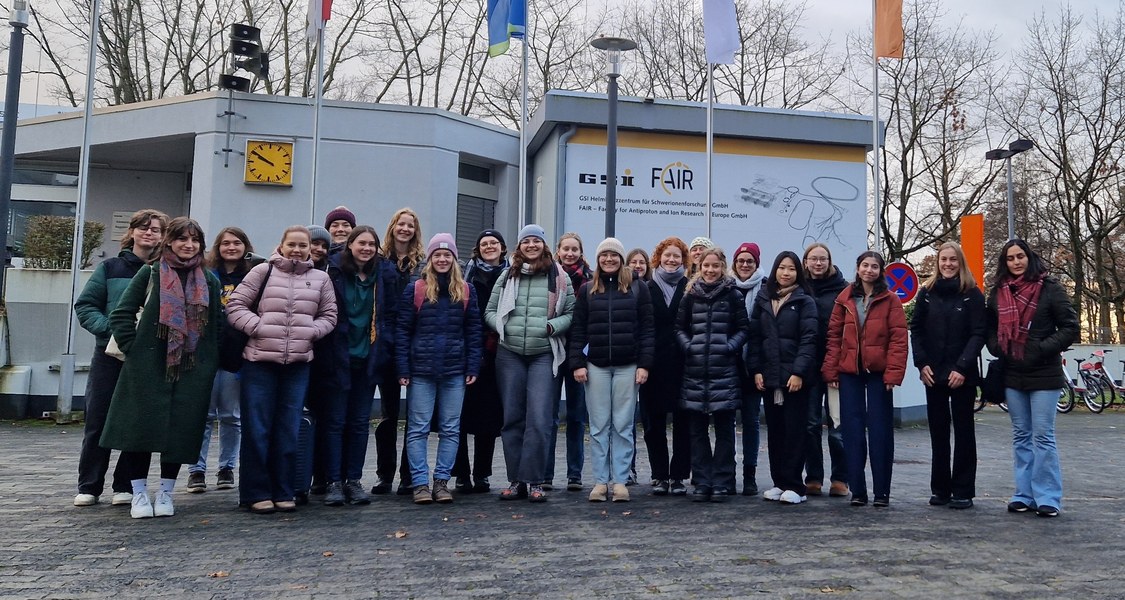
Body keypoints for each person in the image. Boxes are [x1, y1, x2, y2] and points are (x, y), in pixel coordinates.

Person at [100, 217, 222, 519]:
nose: (188, 245)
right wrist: (135, 349)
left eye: (194, 240)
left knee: (180, 432)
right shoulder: (151, 273)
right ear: (169, 241)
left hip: (191, 369)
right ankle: (139, 494)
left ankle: (166, 491)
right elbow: (121, 314)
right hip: (147, 367)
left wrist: (207, 363)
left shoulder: (209, 280)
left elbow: (218, 326)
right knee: (137, 431)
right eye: (182, 238)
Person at [226, 226, 337, 514]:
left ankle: (284, 490)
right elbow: (235, 305)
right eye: (292, 244)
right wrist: (258, 327)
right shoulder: (263, 272)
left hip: (298, 365)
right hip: (259, 362)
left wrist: (312, 331)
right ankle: (255, 492)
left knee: (288, 430)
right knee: (257, 429)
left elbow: (330, 315)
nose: (297, 250)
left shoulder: (321, 278)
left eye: (303, 245)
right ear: (282, 245)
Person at [73, 209, 167, 508]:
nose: (149, 233)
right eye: (143, 227)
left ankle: (125, 485)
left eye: (156, 229)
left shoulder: (165, 271)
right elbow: (86, 306)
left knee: (137, 422)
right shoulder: (110, 267)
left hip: (147, 359)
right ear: (132, 231)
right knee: (98, 420)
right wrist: (111, 332)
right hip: (109, 355)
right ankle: (89, 485)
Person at [985, 239, 1078, 518]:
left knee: (1043, 435)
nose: (1016, 262)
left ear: (1029, 257)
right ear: (1005, 262)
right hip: (1013, 374)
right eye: (1010, 258)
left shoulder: (1050, 288)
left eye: (1020, 256)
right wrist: (997, 347)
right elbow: (989, 328)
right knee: (1021, 435)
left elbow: (1070, 327)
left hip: (1044, 374)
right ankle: (1023, 494)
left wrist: (1040, 348)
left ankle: (1048, 496)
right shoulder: (998, 293)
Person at [484, 224, 575, 502]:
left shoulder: (559, 277)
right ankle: (516, 481)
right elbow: (489, 311)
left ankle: (535, 480)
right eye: (526, 241)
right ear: (519, 246)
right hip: (509, 354)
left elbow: (571, 314)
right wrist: (502, 328)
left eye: (536, 240)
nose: (531, 245)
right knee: (512, 418)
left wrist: (551, 327)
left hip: (543, 354)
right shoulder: (506, 276)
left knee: (538, 419)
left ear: (544, 245)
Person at [397, 233, 482, 504]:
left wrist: (473, 365)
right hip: (421, 370)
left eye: (447, 255)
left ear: (455, 259)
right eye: (437, 255)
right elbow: (402, 330)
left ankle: (442, 482)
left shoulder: (467, 291)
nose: (442, 259)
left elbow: (474, 331)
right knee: (418, 429)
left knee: (450, 428)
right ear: (430, 259)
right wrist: (403, 368)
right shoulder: (416, 289)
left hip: (455, 371)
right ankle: (420, 483)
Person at [568, 238, 655, 502]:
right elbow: (578, 329)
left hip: (628, 366)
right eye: (604, 255)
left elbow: (648, 329)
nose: (609, 259)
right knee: (598, 426)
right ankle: (599, 482)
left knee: (623, 425)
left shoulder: (638, 288)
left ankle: (620, 481)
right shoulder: (586, 290)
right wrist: (577, 363)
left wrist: (644, 365)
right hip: (596, 367)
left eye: (614, 255)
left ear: (621, 259)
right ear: (598, 259)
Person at [822, 251, 908, 508]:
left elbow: (899, 339)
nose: (869, 270)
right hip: (850, 373)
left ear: (881, 271)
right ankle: (858, 490)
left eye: (874, 266)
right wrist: (831, 371)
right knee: (852, 432)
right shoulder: (845, 298)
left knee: (881, 432)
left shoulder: (891, 300)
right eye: (864, 265)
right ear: (857, 268)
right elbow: (834, 337)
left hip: (879, 374)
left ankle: (882, 492)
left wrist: (894, 373)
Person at [321, 225, 399, 506]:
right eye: (361, 243)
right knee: (335, 422)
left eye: (371, 244)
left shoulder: (383, 275)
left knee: (358, 423)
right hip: (338, 357)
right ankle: (333, 482)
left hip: (369, 359)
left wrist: (385, 347)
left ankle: (353, 481)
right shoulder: (334, 272)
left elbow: (389, 315)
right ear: (349, 245)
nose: (366, 248)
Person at [910, 242, 985, 510]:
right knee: (938, 433)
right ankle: (940, 489)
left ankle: (963, 490)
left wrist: (962, 367)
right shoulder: (927, 293)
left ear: (960, 262)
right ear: (937, 262)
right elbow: (916, 329)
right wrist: (921, 364)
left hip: (961, 375)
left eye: (953, 260)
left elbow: (979, 333)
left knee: (964, 432)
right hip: (933, 373)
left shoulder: (973, 294)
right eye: (944, 259)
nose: (948, 264)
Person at [676, 247, 750, 502]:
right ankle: (702, 481)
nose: (710, 270)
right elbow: (679, 328)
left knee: (724, 430)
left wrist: (729, 347)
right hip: (694, 371)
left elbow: (743, 329)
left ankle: (722, 481)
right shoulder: (690, 295)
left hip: (724, 372)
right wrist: (688, 346)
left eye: (715, 266)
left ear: (723, 267)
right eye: (706, 265)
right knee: (697, 430)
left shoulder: (733, 295)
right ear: (700, 267)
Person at [186, 226, 255, 495]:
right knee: (202, 415)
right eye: (225, 243)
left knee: (231, 415)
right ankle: (196, 470)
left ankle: (227, 467)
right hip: (204, 353)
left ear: (245, 246)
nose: (231, 247)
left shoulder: (253, 276)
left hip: (235, 354)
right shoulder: (204, 274)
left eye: (237, 242)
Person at [749, 251, 818, 505]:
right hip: (769, 377)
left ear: (798, 272)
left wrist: (799, 372)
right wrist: (756, 369)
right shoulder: (764, 298)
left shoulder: (804, 301)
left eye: (791, 268)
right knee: (775, 431)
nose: (786, 273)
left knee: (795, 431)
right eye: (782, 268)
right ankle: (779, 482)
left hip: (794, 379)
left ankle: (795, 486)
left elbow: (809, 340)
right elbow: (755, 337)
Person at [372, 207, 426, 495]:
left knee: (415, 417)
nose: (405, 229)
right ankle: (384, 474)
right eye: (401, 224)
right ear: (393, 227)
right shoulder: (379, 261)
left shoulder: (424, 263)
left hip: (417, 346)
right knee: (389, 414)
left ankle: (409, 476)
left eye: (410, 225)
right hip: (387, 344)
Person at [452, 230, 509, 494]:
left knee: (489, 415)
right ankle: (461, 473)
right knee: (460, 415)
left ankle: (482, 473)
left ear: (502, 247)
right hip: (468, 349)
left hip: (499, 350)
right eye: (484, 243)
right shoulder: (466, 275)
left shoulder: (512, 273)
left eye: (493, 243)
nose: (489, 246)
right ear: (478, 249)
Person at [642, 236, 692, 496]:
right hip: (654, 364)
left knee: (684, 421)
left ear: (684, 260)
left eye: (677, 256)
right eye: (667, 255)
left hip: (685, 364)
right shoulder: (646, 287)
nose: (672, 260)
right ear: (658, 258)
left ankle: (680, 476)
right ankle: (660, 475)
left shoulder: (691, 287)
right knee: (654, 423)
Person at [802, 243, 849, 498]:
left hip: (836, 367)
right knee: (809, 425)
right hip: (808, 367)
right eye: (813, 259)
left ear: (829, 261)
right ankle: (814, 477)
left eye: (823, 259)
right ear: (806, 261)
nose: (818, 263)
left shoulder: (843, 290)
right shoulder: (799, 287)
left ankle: (840, 478)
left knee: (837, 426)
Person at [548, 232, 591, 490]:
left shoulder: (590, 279)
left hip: (579, 354)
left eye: (575, 249)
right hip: (551, 349)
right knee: (549, 416)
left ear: (580, 251)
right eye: (566, 249)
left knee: (576, 416)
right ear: (558, 250)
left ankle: (575, 474)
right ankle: (546, 474)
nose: (570, 253)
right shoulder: (549, 276)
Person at [730, 242, 765, 496]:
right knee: (726, 421)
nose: (744, 265)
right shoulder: (725, 286)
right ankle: (727, 473)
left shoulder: (765, 289)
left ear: (756, 263)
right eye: (741, 260)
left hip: (753, 364)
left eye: (749, 261)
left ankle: (749, 474)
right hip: (728, 365)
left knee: (751, 421)